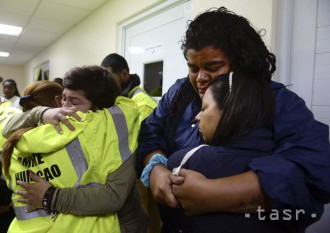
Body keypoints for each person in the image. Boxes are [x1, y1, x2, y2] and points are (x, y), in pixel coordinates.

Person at [137, 6, 330, 233]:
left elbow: (315, 169)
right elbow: (151, 130)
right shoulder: (179, 92)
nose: (200, 78)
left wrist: (215, 194)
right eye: (193, 68)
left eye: (213, 67)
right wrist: (156, 167)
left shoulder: (274, 101)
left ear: (242, 62)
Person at [2, 67, 148, 232]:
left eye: (74, 101)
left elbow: (114, 195)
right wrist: (43, 113)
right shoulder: (57, 125)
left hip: (123, 224)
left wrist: (50, 196)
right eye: (63, 98)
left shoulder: (114, 129)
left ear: (99, 108)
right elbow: (7, 129)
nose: (64, 106)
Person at [101, 53, 160, 232]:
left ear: (124, 75)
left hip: (140, 175)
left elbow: (136, 143)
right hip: (126, 176)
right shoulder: (119, 100)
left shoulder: (141, 102)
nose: (106, 80)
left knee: (147, 224)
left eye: (109, 74)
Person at [101, 53, 157, 125]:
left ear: (124, 74)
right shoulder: (120, 98)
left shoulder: (143, 103)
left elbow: (142, 135)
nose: (106, 83)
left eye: (110, 78)